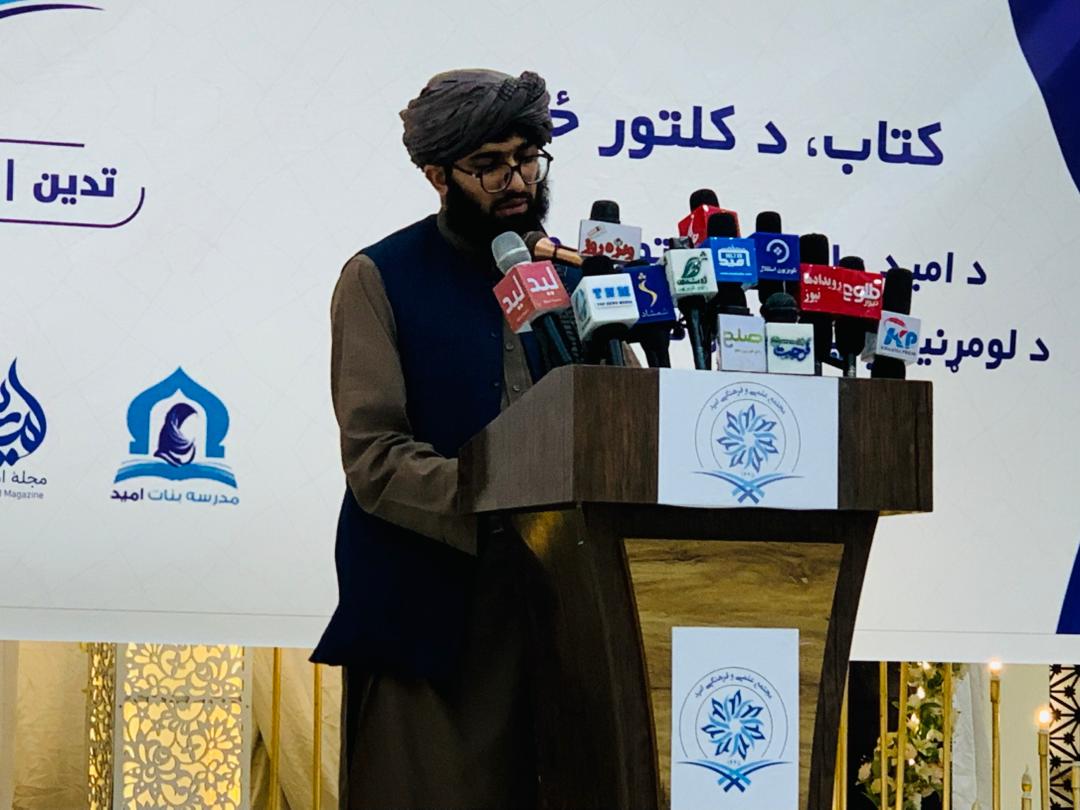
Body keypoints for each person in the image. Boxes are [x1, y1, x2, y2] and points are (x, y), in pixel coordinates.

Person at [311, 68, 556, 810]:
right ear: (437, 175)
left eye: (527, 158)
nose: (516, 181)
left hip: (563, 604)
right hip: (435, 610)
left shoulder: (565, 277)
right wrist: (501, 502)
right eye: (489, 165)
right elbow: (375, 457)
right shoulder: (380, 277)